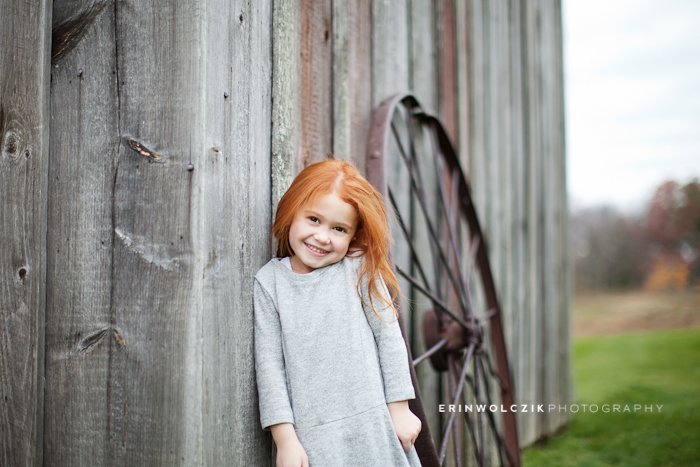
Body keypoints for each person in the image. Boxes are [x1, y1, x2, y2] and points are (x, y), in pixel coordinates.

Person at [254, 159, 423, 467]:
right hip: (315, 437)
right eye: (314, 219)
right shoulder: (270, 284)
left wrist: (399, 408)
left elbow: (389, 337)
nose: (322, 237)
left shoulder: (357, 269)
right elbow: (270, 369)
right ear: (291, 213)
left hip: (375, 423)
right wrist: (285, 439)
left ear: (353, 235)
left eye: (339, 229)